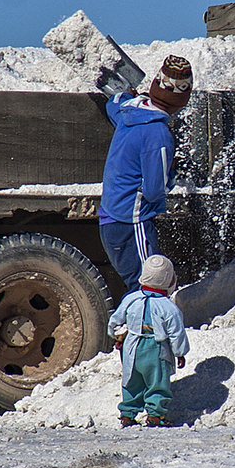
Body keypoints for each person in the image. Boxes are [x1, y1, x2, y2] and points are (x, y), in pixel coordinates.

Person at [98, 55, 193, 289]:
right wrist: (171, 173)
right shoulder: (158, 133)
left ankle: (130, 325)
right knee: (149, 285)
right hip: (133, 220)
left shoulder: (130, 111)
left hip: (112, 217)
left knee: (137, 284)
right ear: (181, 101)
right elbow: (154, 190)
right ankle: (142, 327)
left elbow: (114, 104)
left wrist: (126, 94)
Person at [108, 254, 189, 426]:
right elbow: (176, 333)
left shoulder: (130, 299)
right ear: (168, 280)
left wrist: (118, 337)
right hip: (156, 349)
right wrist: (180, 353)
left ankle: (127, 414)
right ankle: (155, 415)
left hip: (132, 348)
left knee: (132, 381)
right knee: (157, 382)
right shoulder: (169, 307)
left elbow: (115, 322)